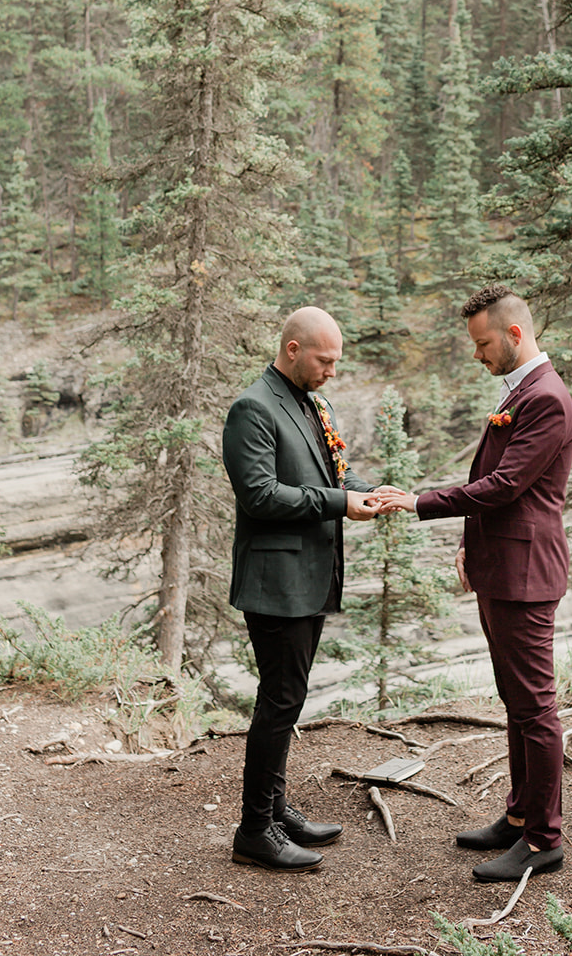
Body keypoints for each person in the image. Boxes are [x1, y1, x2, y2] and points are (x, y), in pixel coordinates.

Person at [373, 283, 572, 883]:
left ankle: (543, 839)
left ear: (515, 334)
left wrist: (417, 503)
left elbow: (507, 486)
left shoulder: (547, 399)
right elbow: (493, 479)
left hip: (526, 573)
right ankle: (518, 819)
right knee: (516, 702)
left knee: (535, 708)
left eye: (483, 343)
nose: (477, 354)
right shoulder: (521, 391)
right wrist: (469, 542)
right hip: (501, 564)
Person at [222, 306, 384, 872]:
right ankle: (254, 829)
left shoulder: (314, 402)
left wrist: (369, 492)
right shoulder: (253, 408)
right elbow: (260, 496)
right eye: (326, 359)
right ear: (293, 349)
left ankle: (274, 808)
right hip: (276, 583)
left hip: (310, 577)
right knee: (280, 700)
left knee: (287, 699)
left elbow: (332, 477)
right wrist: (342, 503)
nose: (333, 371)